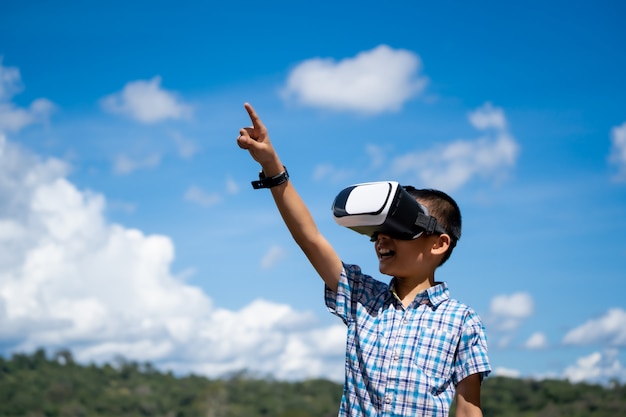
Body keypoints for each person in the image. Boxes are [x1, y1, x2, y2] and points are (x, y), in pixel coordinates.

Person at [236, 103, 491, 417]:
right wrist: (273, 167)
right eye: (377, 232)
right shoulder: (361, 297)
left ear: (439, 244)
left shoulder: (462, 322)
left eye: (398, 230)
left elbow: (468, 409)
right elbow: (310, 239)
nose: (382, 239)